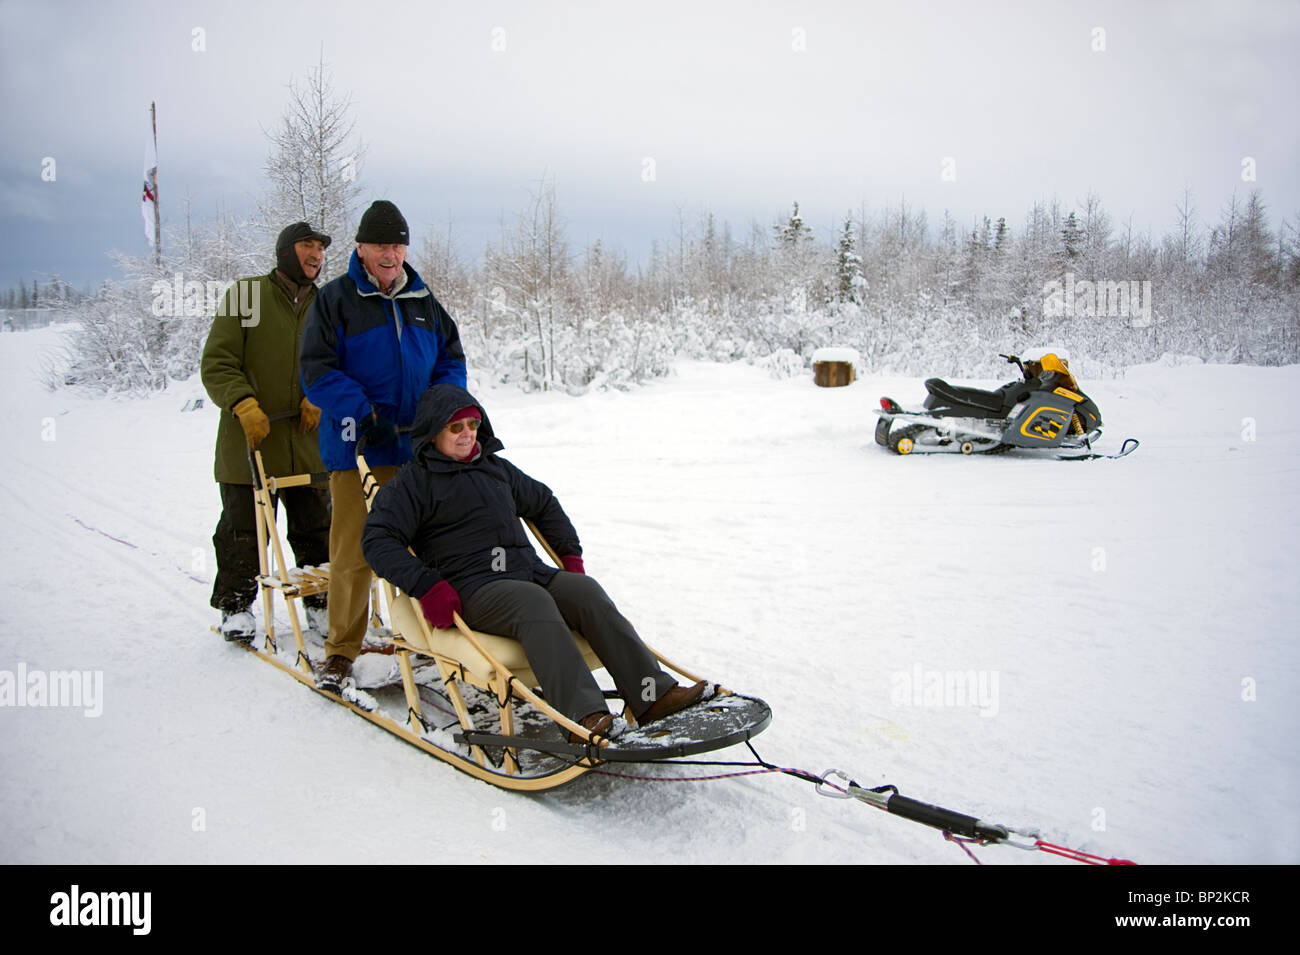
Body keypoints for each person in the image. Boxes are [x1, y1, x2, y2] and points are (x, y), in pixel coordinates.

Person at [361, 384, 706, 739]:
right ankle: (583, 718)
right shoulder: (412, 485)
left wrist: (569, 553)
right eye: (455, 427)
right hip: (473, 588)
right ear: (434, 431)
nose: (467, 434)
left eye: (473, 425)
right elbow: (377, 541)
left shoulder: (496, 468)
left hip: (529, 572)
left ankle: (653, 696)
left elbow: (543, 503)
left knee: (585, 591)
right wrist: (427, 586)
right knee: (532, 602)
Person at [300, 200, 467, 693]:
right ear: (361, 249)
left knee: (425, 545)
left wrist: (442, 409)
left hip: (416, 451)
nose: (390, 253)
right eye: (380, 245)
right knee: (354, 551)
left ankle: (430, 638)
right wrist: (361, 412)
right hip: (358, 448)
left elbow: (450, 362)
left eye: (397, 244)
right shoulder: (335, 301)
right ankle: (340, 652)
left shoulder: (423, 302)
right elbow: (317, 372)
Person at [200, 221, 333, 641]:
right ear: (285, 252)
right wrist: (242, 401)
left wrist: (319, 393)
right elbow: (217, 361)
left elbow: (338, 361)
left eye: (319, 248)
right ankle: (236, 606)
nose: (315, 254)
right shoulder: (249, 296)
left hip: (307, 439)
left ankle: (322, 603)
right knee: (244, 530)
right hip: (252, 438)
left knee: (317, 528)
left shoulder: (326, 304)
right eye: (306, 245)